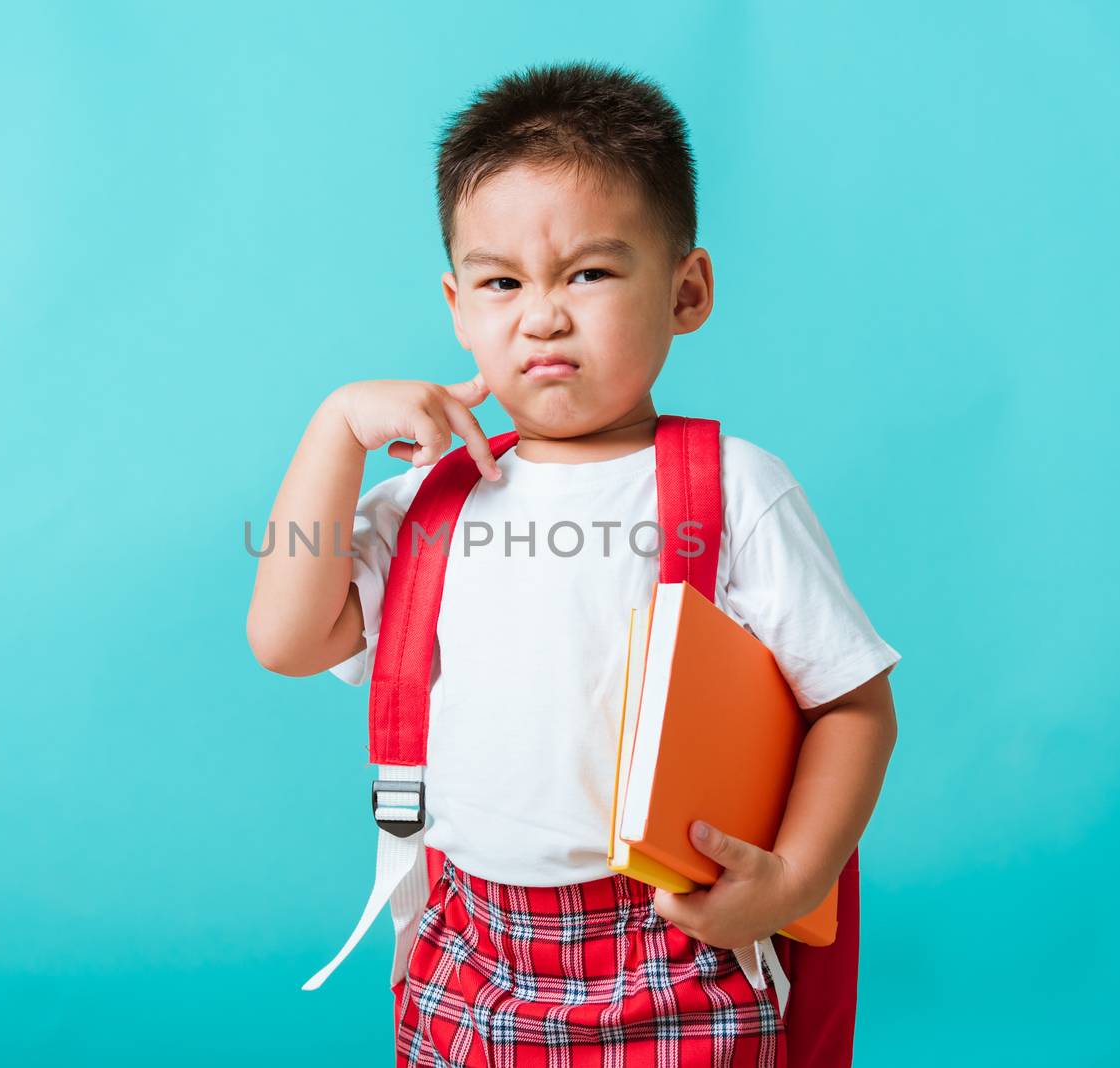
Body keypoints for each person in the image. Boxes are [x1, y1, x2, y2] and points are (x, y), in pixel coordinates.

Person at [246, 60, 901, 1068]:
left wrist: (797, 878)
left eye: (588, 274)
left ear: (686, 292)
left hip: (677, 944)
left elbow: (852, 707)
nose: (542, 315)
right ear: (458, 305)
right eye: (503, 283)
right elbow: (287, 642)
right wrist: (334, 431)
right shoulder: (430, 502)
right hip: (468, 941)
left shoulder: (735, 489)